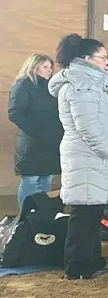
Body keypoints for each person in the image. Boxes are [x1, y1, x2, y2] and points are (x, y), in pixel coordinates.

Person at [50, 35, 108, 281]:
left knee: (93, 213)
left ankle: (91, 260)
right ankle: (77, 266)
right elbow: (88, 126)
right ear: (86, 59)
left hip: (91, 158)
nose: (106, 62)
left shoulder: (87, 83)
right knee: (84, 216)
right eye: (102, 57)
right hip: (88, 157)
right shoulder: (80, 85)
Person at [8, 54, 62, 209]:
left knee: (46, 179)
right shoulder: (23, 84)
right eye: (45, 67)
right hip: (32, 143)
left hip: (50, 142)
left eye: (51, 67)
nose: (50, 70)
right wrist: (37, 132)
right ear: (34, 67)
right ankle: (25, 218)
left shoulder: (50, 86)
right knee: (30, 180)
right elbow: (15, 113)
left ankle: (40, 215)